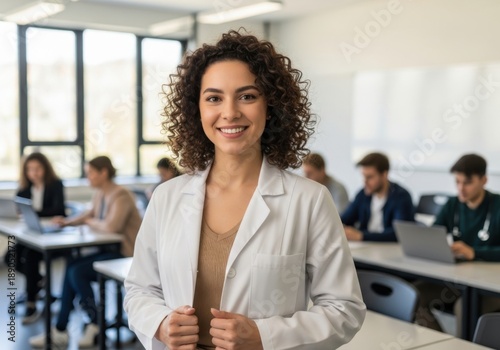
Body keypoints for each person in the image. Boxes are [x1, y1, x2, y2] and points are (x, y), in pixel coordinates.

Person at [124, 30, 365, 350]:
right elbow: (140, 290)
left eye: (247, 96)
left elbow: (343, 309)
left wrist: (265, 336)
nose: (230, 112)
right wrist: (161, 323)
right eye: (214, 98)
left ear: (271, 105)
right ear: (197, 109)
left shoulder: (309, 201)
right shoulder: (167, 198)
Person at [29, 155, 142, 348]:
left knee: (76, 271)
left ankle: (93, 322)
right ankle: (62, 329)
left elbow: (112, 227)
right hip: (109, 249)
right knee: (71, 266)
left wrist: (90, 222)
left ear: (103, 173)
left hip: (126, 254)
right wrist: (67, 222)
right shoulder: (100, 193)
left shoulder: (121, 194)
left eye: (90, 172)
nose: (87, 176)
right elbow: (89, 214)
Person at [415, 154, 500, 335]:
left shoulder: (498, 205)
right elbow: (432, 235)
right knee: (414, 295)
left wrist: (474, 253)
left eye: (467, 183)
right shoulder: (453, 204)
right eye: (457, 182)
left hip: (490, 286)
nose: (461, 189)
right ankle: (442, 345)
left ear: (484, 180)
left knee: (465, 308)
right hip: (459, 280)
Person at [7, 152, 66, 324]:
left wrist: (34, 213)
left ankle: (31, 302)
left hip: (51, 238)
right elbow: (18, 206)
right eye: (29, 169)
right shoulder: (25, 187)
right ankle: (39, 281)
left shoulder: (55, 185)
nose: (34, 173)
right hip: (31, 233)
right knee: (10, 257)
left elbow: (59, 210)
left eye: (37, 169)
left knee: (31, 258)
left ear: (45, 169)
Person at [341, 152, 414, 241]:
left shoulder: (401, 197)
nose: (365, 182)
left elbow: (399, 232)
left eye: (370, 177)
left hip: (389, 249)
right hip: (365, 247)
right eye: (363, 176)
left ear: (384, 174)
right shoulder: (363, 194)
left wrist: (362, 236)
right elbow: (344, 219)